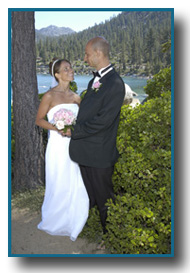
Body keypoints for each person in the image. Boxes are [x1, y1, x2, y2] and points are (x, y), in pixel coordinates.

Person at [66, 37, 125, 241]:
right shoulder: (95, 80)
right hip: (86, 152)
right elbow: (89, 112)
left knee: (104, 198)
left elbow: (103, 122)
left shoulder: (116, 84)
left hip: (100, 154)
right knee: (90, 195)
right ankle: (92, 228)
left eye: (87, 54)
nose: (85, 58)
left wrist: (75, 131)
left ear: (98, 54)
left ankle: (111, 237)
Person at [35, 59, 89, 241]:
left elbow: (82, 122)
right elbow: (39, 120)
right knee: (59, 180)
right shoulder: (49, 96)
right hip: (57, 146)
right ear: (57, 75)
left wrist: (75, 130)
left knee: (75, 180)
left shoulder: (76, 97)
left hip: (75, 144)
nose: (71, 70)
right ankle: (56, 218)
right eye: (66, 69)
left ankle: (75, 217)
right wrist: (57, 127)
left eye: (71, 67)